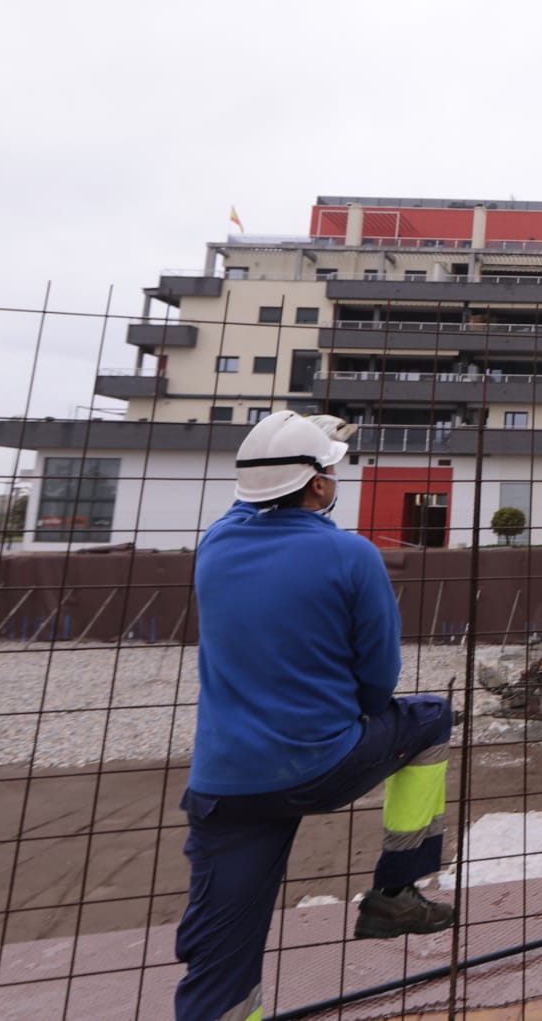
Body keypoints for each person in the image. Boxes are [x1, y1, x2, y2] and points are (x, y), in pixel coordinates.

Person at [175, 411, 459, 1021]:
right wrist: (351, 716)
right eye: (330, 469)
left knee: (222, 960)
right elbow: (381, 681)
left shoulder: (216, 546)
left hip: (225, 786)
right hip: (321, 761)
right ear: (321, 486)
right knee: (432, 717)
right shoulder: (350, 554)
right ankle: (396, 892)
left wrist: (291, 442)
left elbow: (249, 502)